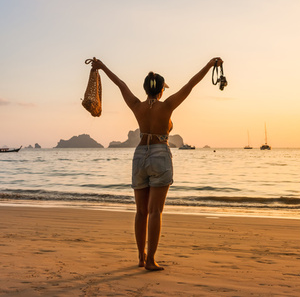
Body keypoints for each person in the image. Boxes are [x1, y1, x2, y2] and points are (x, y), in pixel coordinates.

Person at [90, 57, 223, 271]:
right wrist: (209, 65)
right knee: (154, 212)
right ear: (161, 90)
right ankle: (150, 260)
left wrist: (102, 67)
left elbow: (121, 84)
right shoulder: (168, 105)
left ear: (146, 89)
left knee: (141, 211)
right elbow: (191, 84)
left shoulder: (136, 105)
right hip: (160, 154)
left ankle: (141, 257)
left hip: (140, 154)